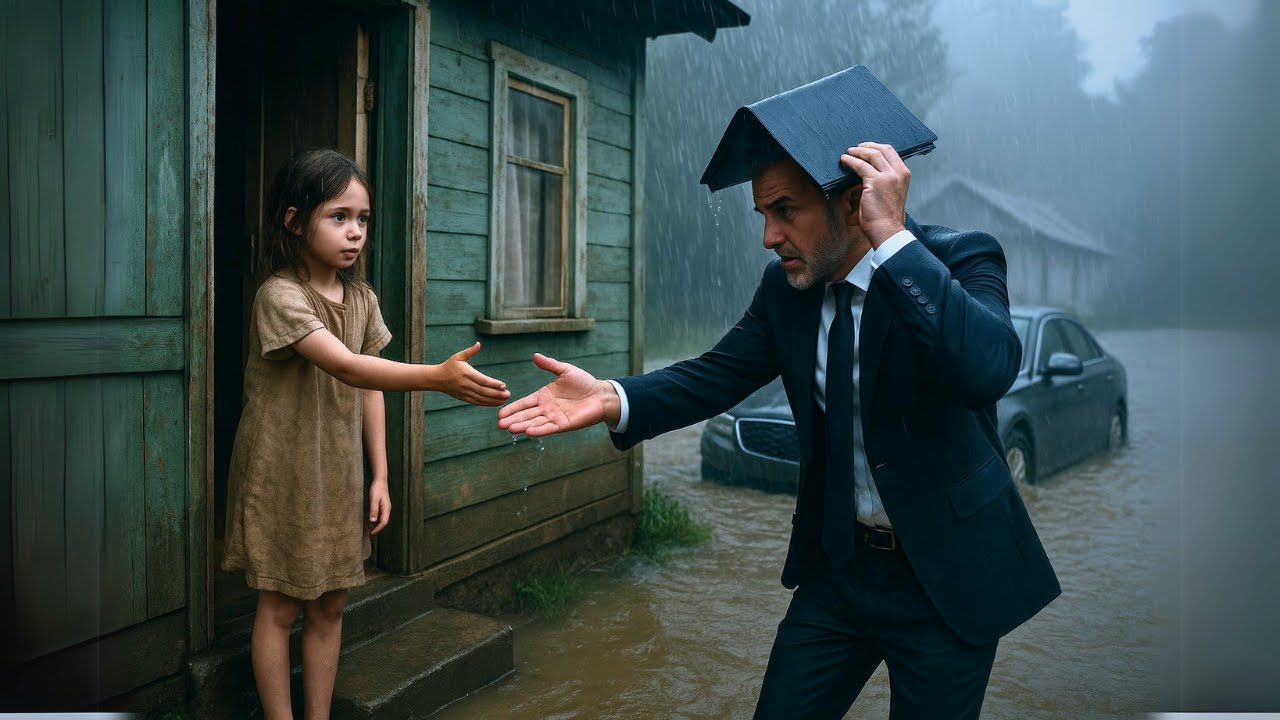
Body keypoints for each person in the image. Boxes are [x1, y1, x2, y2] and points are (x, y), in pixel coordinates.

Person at [497, 68, 1060, 719]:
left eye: (785, 211)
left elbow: (986, 369)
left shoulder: (959, 260)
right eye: (763, 214)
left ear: (853, 202)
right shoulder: (783, 292)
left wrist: (896, 242)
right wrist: (613, 397)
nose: (768, 236)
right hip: (840, 575)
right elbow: (715, 374)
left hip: (951, 580)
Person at [221, 148, 510, 720]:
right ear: (293, 219)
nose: (355, 232)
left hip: (338, 472)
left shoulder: (362, 298)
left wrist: (379, 473)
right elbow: (348, 367)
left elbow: (369, 387)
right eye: (338, 217)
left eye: (363, 219)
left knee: (330, 604)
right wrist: (436, 378)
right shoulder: (279, 296)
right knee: (278, 605)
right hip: (281, 474)